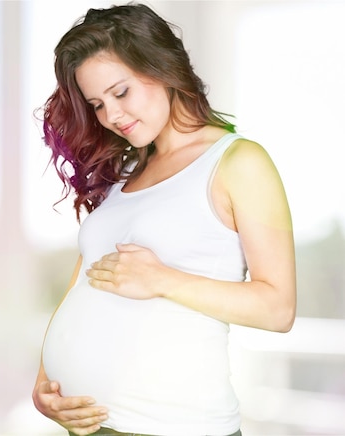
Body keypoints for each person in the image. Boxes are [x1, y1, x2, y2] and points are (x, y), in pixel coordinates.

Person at [32, 3, 297, 436]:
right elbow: (85, 282)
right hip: (89, 426)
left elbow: (278, 308)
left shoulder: (237, 162)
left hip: (174, 425)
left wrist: (162, 279)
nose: (111, 116)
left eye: (121, 93)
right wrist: (44, 383)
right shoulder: (125, 176)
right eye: (97, 104)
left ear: (163, 67)